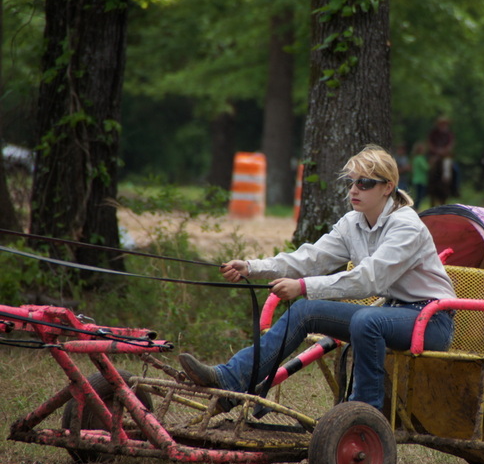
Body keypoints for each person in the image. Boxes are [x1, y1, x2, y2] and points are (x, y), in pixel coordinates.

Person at [179, 145, 457, 410]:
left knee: (365, 320)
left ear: (388, 187)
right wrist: (252, 267)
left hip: (430, 320)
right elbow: (309, 258)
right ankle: (231, 378)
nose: (353, 190)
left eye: (364, 183)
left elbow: (368, 281)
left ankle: (363, 413)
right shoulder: (353, 222)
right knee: (303, 311)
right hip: (390, 314)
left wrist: (302, 286)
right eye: (351, 182)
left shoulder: (406, 226)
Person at [410, 141, 430, 208]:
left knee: (418, 195)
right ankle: (416, 208)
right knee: (420, 196)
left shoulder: (415, 158)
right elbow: (426, 168)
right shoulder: (420, 158)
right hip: (420, 180)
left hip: (416, 179)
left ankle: (416, 207)